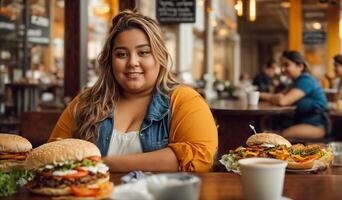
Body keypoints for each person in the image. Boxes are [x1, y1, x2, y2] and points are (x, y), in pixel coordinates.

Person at [49, 10, 218, 172]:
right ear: (110, 61)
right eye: (121, 54)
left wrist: (103, 164)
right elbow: (53, 154)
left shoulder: (184, 100)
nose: (132, 62)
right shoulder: (85, 102)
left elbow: (200, 157)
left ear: (160, 57)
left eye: (143, 52)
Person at [261, 50, 328, 139]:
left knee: (282, 135)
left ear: (300, 66)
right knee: (269, 128)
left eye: (286, 65)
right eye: (282, 66)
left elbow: (282, 101)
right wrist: (259, 95)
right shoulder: (295, 82)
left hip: (317, 126)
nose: (282, 69)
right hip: (301, 122)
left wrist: (276, 97)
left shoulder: (306, 80)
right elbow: (277, 96)